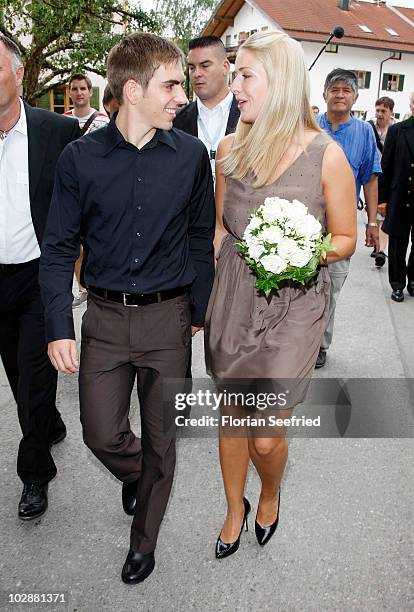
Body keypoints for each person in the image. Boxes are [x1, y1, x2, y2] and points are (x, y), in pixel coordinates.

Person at [39, 32, 215, 584]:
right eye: (170, 85)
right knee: (99, 433)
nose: (180, 96)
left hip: (169, 319)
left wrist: (197, 311)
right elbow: (59, 248)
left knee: (164, 435)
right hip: (106, 319)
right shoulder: (79, 159)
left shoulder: (190, 156)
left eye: (182, 84)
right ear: (133, 89)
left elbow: (199, 236)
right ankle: (143, 474)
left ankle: (144, 542)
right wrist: (58, 326)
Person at [204, 31, 356, 559]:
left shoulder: (327, 156)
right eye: (234, 73)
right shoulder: (228, 149)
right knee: (232, 414)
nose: (234, 84)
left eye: (245, 75)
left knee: (265, 435)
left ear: (281, 81)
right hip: (236, 297)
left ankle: (268, 494)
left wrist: (295, 253)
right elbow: (223, 229)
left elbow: (345, 238)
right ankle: (232, 509)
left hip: (294, 303)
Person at [0, 34, 80, 519]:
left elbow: (79, 205)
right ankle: (46, 421)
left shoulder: (58, 131)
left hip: (38, 276)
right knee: (17, 373)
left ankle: (35, 473)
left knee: (32, 374)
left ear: (17, 73)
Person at [316, 68, 380, 368]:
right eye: (335, 89)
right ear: (324, 94)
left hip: (341, 226)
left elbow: (369, 178)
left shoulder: (364, 132)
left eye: (346, 90)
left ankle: (320, 346)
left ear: (355, 97)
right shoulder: (311, 127)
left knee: (331, 289)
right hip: (306, 221)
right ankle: (299, 342)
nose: (340, 95)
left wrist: (372, 222)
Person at [65, 73, 110, 308]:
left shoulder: (103, 120)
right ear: (70, 92)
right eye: (75, 88)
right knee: (73, 240)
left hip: (94, 188)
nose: (79, 92)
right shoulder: (62, 120)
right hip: (73, 188)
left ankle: (86, 284)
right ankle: (77, 284)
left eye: (83, 88)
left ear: (89, 91)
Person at [174, 36, 239, 176]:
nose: (197, 74)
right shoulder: (175, 122)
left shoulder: (249, 117)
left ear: (225, 67)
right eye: (192, 67)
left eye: (205, 65)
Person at [378, 92, 414, 302]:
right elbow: (386, 167)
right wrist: (382, 199)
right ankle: (398, 284)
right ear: (411, 105)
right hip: (399, 195)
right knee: (398, 241)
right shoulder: (398, 131)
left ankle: (413, 279)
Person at [368, 96, 395, 268]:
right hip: (374, 176)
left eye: (383, 111)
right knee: (376, 213)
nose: (379, 114)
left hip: (390, 177)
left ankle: (381, 249)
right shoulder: (369, 128)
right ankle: (379, 245)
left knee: (386, 214)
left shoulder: (397, 130)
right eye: (377, 110)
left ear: (391, 112)